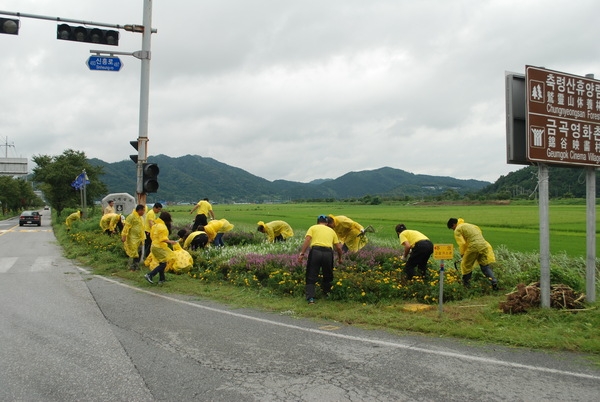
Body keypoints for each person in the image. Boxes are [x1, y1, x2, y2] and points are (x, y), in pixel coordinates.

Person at [298, 215, 343, 304]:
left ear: (317, 222)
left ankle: (311, 299)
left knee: (311, 274)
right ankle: (327, 295)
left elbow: (307, 240)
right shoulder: (332, 231)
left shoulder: (313, 228)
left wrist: (302, 254)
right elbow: (338, 248)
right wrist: (340, 258)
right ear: (326, 223)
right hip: (328, 253)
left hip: (315, 252)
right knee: (328, 274)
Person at [447, 217, 498, 290]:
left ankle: (466, 286)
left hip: (474, 246)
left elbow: (462, 244)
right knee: (484, 265)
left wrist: (462, 253)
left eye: (452, 228)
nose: (453, 230)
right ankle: (493, 281)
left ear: (454, 224)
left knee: (465, 265)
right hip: (483, 245)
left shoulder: (458, 229)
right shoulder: (469, 225)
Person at [145, 211, 178, 284]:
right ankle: (150, 275)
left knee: (162, 263)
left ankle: (162, 279)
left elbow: (151, 236)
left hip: (153, 246)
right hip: (159, 247)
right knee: (164, 264)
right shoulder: (163, 227)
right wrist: (171, 242)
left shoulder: (155, 225)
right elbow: (163, 239)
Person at [121, 204, 146, 271]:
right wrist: (124, 236)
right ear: (140, 210)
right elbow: (126, 227)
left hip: (140, 238)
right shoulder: (131, 216)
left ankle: (136, 267)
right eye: (143, 211)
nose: (144, 212)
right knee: (133, 253)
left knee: (139, 253)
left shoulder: (141, 218)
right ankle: (131, 267)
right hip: (132, 239)